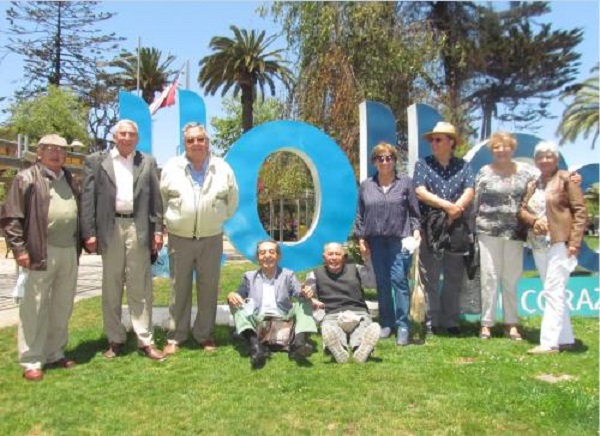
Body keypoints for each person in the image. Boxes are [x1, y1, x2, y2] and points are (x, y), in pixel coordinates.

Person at [81, 119, 165, 361]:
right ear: (115, 137)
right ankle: (115, 339)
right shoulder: (96, 161)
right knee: (112, 285)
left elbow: (156, 200)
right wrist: (89, 232)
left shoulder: (147, 162)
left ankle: (145, 340)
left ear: (136, 138)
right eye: (123, 134)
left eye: (131, 134)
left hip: (138, 227)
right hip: (110, 228)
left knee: (141, 286)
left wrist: (158, 230)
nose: (127, 138)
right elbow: (88, 199)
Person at [0, 134, 81, 381]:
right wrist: (20, 250)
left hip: (68, 250)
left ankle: (55, 352)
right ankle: (32, 359)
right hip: (37, 251)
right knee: (33, 307)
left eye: (60, 150)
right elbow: (11, 217)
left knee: (62, 304)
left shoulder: (69, 178)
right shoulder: (26, 178)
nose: (56, 154)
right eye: (50, 149)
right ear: (39, 153)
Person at [160, 123, 238, 354]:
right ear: (185, 143)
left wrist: (217, 218)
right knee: (179, 287)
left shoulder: (222, 168)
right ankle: (176, 335)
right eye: (191, 140)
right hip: (179, 238)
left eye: (200, 139)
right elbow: (162, 198)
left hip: (211, 237)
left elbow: (231, 201)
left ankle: (204, 333)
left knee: (208, 287)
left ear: (207, 141)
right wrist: (172, 220)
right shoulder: (172, 167)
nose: (196, 143)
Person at [518, 141, 587, 354]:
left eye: (549, 156)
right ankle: (566, 338)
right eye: (540, 156)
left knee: (553, 291)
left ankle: (548, 343)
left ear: (556, 159)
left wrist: (574, 243)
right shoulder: (533, 183)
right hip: (539, 244)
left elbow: (580, 211)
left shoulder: (567, 179)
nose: (544, 160)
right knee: (555, 291)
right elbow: (521, 210)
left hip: (560, 243)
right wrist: (533, 221)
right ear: (536, 160)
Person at [355, 142, 421, 345]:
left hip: (399, 240)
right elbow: (360, 215)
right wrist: (361, 238)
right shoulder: (366, 185)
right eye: (380, 158)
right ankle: (386, 323)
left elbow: (414, 212)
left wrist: (416, 231)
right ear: (374, 161)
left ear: (394, 160)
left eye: (389, 158)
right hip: (375, 240)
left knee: (399, 281)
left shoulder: (405, 183)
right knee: (382, 284)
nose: (385, 162)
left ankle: (403, 325)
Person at [413, 121, 475, 336]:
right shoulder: (423, 164)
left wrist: (457, 208)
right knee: (429, 274)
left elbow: (469, 189)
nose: (433, 143)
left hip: (456, 226)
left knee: (453, 275)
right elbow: (420, 191)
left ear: (451, 142)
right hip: (431, 226)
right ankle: (432, 321)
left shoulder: (464, 166)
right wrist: (447, 206)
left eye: (438, 139)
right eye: (432, 140)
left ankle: (450, 321)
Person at [474, 132, 531, 341]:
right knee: (489, 277)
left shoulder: (525, 173)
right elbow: (476, 202)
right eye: (497, 147)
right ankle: (486, 324)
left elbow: (541, 187)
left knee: (511, 278)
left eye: (505, 146)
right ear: (492, 150)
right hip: (488, 232)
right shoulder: (484, 172)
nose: (501, 150)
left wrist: (571, 178)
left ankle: (511, 324)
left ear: (512, 149)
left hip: (515, 232)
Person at [226, 240, 317, 369]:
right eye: (262, 253)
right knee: (235, 304)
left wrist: (305, 292)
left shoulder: (287, 275)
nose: (267, 256)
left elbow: (298, 291)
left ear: (278, 256)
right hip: (259, 318)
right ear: (258, 258)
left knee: (305, 302)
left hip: (283, 316)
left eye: (271, 252)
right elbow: (239, 294)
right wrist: (232, 295)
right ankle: (256, 346)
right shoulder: (249, 277)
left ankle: (299, 342)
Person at [304, 242, 381, 363]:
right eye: (330, 254)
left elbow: (372, 283)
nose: (334, 257)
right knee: (331, 328)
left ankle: (360, 348)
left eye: (337, 254)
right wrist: (309, 297)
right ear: (324, 257)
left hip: (358, 312)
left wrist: (368, 261)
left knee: (362, 327)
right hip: (331, 313)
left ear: (344, 257)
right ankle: (339, 349)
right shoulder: (314, 273)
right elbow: (307, 292)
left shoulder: (356, 269)